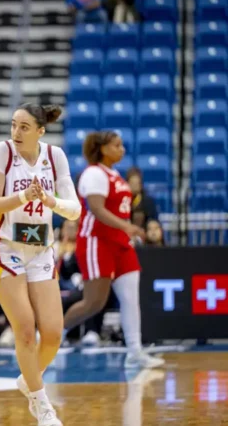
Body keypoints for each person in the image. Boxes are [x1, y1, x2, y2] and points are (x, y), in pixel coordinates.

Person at [0, 104, 81, 426]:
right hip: (4, 246)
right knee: (25, 330)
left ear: (41, 131)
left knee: (52, 334)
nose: (16, 132)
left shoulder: (55, 157)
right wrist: (24, 196)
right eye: (13, 125)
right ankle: (42, 407)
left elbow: (74, 210)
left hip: (40, 249)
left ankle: (29, 380)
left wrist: (50, 201)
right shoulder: (2, 152)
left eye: (24, 127)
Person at [63, 131, 165, 370]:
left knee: (131, 300)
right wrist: (127, 226)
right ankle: (52, 334)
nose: (122, 149)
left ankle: (135, 352)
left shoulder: (115, 174)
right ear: (103, 149)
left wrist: (125, 229)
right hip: (97, 241)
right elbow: (97, 210)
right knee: (94, 303)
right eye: (117, 146)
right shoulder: (93, 174)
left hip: (120, 243)